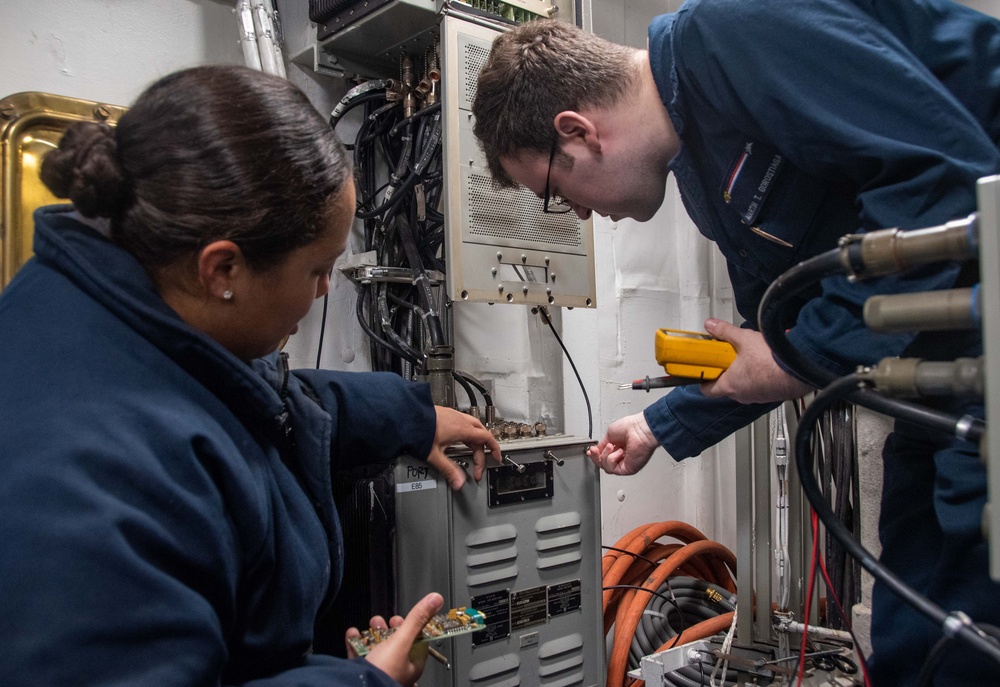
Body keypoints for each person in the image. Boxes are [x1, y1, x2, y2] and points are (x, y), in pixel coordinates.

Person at [472, 1, 1000, 684]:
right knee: (912, 617)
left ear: (577, 129)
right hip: (933, 372)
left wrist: (786, 358)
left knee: (968, 617)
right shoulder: (700, 164)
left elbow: (943, 178)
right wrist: (661, 424)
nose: (574, 212)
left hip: (979, 335)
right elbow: (774, 346)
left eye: (554, 188)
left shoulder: (733, 30)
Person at [0, 65, 501, 687]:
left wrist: (408, 415)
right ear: (222, 269)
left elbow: (251, 401)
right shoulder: (82, 480)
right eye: (319, 270)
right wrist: (365, 682)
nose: (322, 292)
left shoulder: (106, 306)